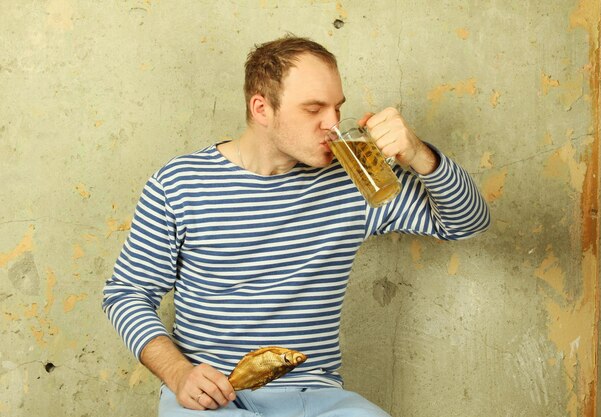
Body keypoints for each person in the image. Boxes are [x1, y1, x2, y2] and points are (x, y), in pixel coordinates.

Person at [102, 35, 490, 416]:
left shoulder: (356, 177)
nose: (333, 123)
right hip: (213, 398)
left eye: (337, 108)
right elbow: (127, 293)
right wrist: (179, 373)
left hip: (316, 397)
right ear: (261, 109)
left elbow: (467, 222)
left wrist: (419, 154)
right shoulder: (180, 184)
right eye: (313, 109)